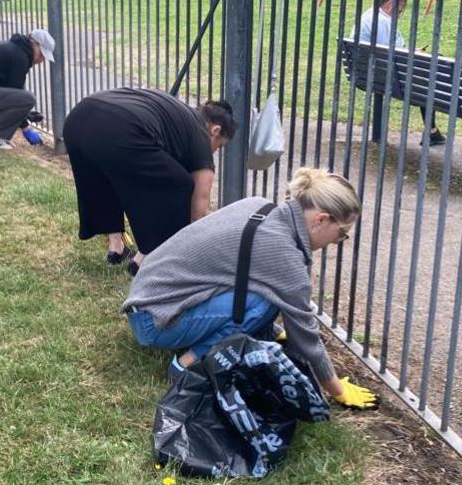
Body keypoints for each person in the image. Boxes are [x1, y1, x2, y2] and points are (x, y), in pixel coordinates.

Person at [122, 167, 379, 410]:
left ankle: (253, 332)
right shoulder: (283, 254)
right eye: (341, 233)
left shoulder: (260, 206)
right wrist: (337, 390)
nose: (337, 242)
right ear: (321, 220)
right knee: (263, 301)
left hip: (146, 298)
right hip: (155, 322)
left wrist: (273, 330)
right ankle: (186, 364)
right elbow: (304, 335)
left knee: (260, 294)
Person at [63, 88, 236, 275]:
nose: (215, 151)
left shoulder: (178, 115)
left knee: (109, 175)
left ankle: (116, 248)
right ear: (215, 130)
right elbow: (198, 211)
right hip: (118, 129)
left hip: (77, 120)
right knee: (180, 184)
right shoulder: (200, 134)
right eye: (220, 146)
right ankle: (145, 258)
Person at [353, 0, 444, 145]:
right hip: (385, 76)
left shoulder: (369, 14)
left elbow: (385, 50)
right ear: (390, 4)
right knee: (430, 78)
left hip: (365, 72)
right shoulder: (384, 22)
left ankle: (433, 131)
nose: (399, 15)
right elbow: (390, 55)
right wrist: (412, 53)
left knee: (427, 74)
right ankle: (431, 131)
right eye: (400, 10)